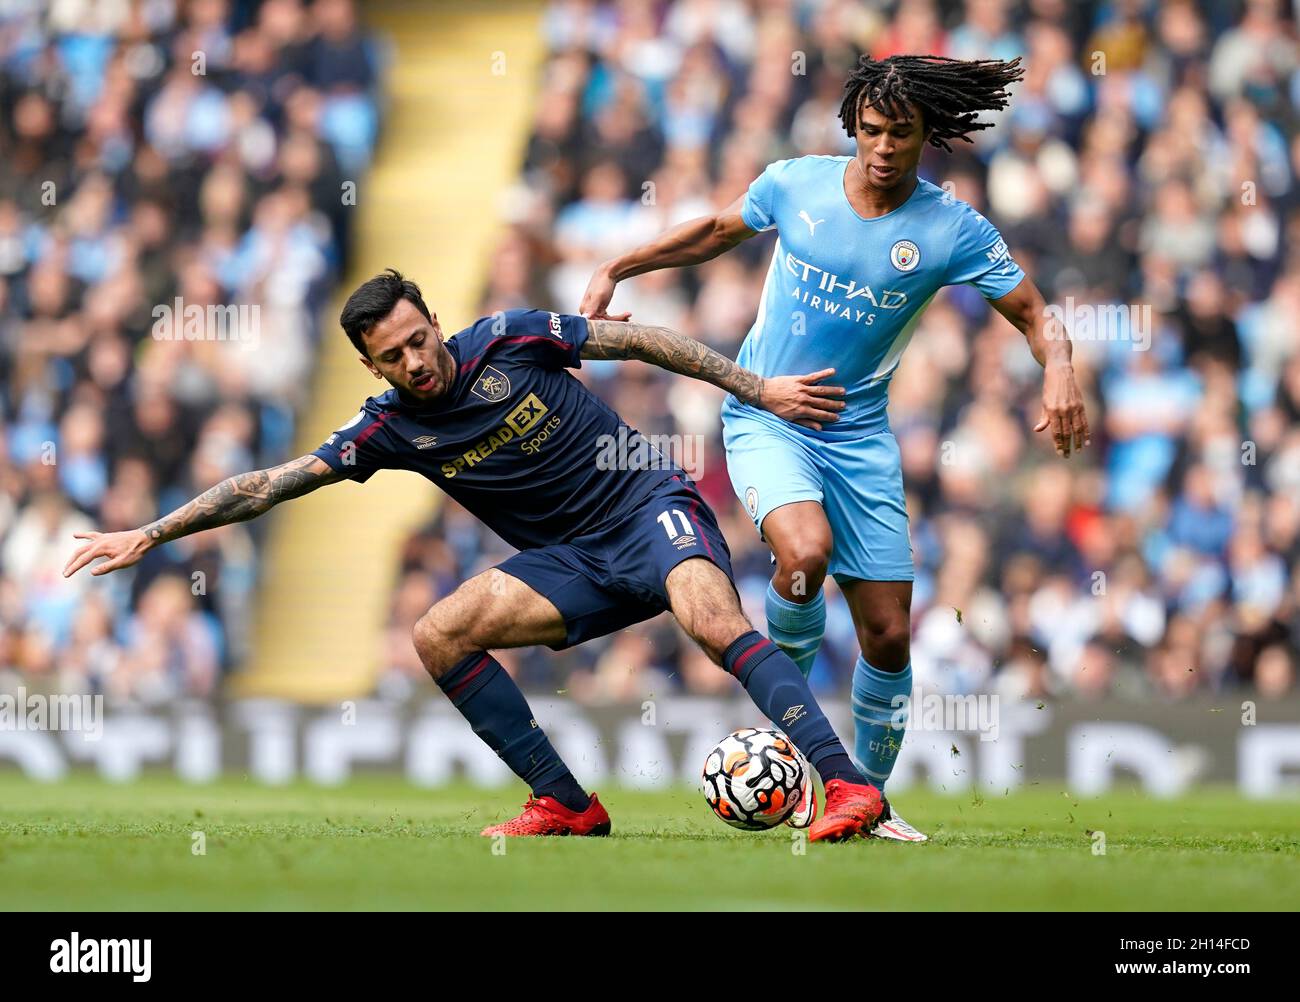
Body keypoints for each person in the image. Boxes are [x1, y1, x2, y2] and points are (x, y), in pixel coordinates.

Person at [64, 268, 884, 841]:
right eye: (394, 356)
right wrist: (151, 533)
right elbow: (269, 484)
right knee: (437, 634)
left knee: (711, 621)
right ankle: (564, 802)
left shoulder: (509, 338)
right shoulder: (386, 428)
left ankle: (847, 783)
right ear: (370, 364)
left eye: (420, 340)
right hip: (571, 560)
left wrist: (755, 388)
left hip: (646, 507)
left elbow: (646, 344)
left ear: (433, 320)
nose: (416, 363)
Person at [580, 55, 1092, 841]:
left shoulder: (951, 229)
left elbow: (1032, 313)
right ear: (854, 124)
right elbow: (718, 230)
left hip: (858, 438)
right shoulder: (797, 183)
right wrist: (620, 264)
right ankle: (793, 732)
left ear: (928, 137)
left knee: (887, 633)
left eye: (903, 134)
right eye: (874, 130)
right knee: (804, 553)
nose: (884, 147)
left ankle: (863, 799)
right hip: (765, 416)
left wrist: (1059, 366)